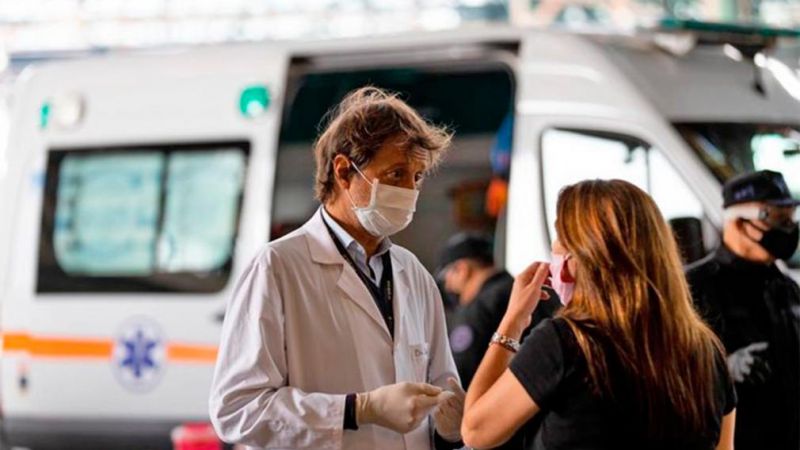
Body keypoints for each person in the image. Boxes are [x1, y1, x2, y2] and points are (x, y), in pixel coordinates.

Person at [209, 87, 466, 450]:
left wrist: (451, 428)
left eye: (418, 176)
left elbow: (440, 391)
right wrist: (357, 410)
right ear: (344, 172)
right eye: (396, 174)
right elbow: (238, 410)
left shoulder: (414, 275)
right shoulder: (278, 267)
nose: (410, 190)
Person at [461, 179, 737, 450]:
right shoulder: (706, 352)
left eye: (559, 239)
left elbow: (476, 431)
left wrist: (513, 321)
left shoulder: (565, 343)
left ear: (573, 262)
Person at [686, 170, 800, 450]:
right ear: (738, 222)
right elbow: (667, 372)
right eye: (776, 219)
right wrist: (723, 370)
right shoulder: (692, 289)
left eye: (790, 219)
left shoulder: (786, 288)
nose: (788, 229)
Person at [438, 233, 558, 449]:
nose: (448, 288)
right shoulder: (527, 291)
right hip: (547, 426)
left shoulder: (477, 309)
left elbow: (458, 376)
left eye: (447, 278)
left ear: (462, 270)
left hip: (501, 430)